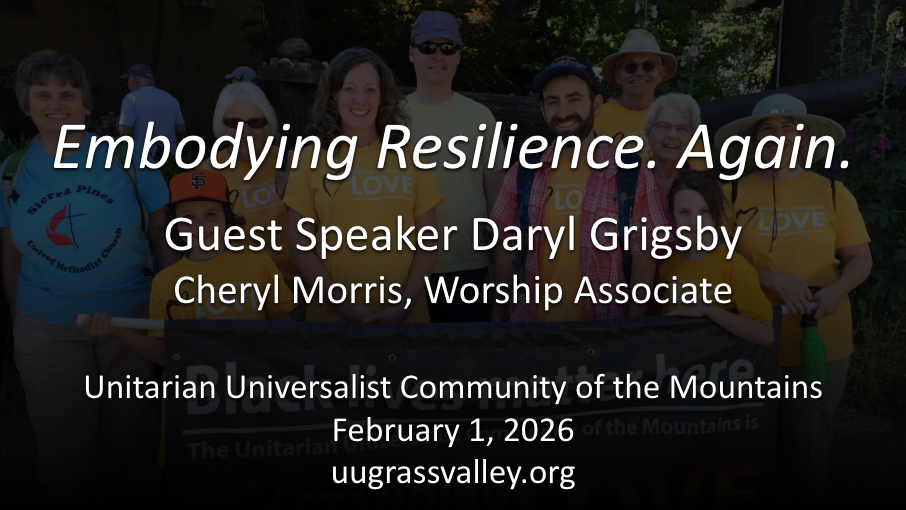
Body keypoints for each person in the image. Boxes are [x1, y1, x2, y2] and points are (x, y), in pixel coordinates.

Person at [0, 49, 177, 504]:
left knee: (121, 448)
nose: (55, 103)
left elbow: (163, 236)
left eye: (68, 92)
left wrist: (170, 313)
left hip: (130, 326)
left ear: (85, 104)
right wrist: (21, 320)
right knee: (63, 459)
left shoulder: (129, 157)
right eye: (43, 94)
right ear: (27, 104)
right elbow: (10, 254)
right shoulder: (11, 172)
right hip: (49, 330)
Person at [81, 168, 293, 484]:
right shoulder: (166, 282)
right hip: (195, 415)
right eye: (187, 216)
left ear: (227, 217)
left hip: (255, 407)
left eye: (211, 214)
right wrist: (118, 331)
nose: (201, 225)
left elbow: (285, 332)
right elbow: (167, 355)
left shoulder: (257, 262)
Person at [716, 93, 873, 502]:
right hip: (751, 339)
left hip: (819, 341)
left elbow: (859, 258)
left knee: (808, 449)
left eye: (789, 128)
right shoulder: (730, 192)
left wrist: (837, 291)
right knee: (752, 449)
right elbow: (714, 260)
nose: (779, 136)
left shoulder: (833, 193)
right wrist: (768, 277)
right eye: (767, 129)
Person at [489, 55, 667, 322]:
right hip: (531, 333)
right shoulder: (523, 171)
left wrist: (633, 327)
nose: (563, 112)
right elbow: (505, 245)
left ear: (596, 105)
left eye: (574, 99)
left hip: (605, 333)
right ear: (542, 109)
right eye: (553, 102)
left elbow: (645, 253)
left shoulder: (630, 171)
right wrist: (496, 318)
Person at [284, 48, 443, 323]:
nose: (361, 99)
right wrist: (345, 308)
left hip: (405, 321)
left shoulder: (411, 156)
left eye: (371, 90)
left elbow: (428, 242)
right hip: (333, 322)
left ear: (382, 97)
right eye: (350, 89)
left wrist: (404, 307)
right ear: (334, 94)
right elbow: (300, 245)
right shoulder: (309, 158)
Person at [404, 11, 504, 322]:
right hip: (403, 267)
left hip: (468, 267)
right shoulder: (389, 119)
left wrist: (500, 263)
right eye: (427, 47)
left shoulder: (480, 117)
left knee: (466, 368)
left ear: (459, 56)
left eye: (448, 48)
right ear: (411, 53)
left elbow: (500, 201)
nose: (438, 55)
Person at [201, 83, 300, 308]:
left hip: (298, 294)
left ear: (268, 125)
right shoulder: (207, 173)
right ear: (222, 126)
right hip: (241, 300)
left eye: (255, 122)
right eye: (234, 123)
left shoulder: (293, 162)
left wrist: (295, 196)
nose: (244, 132)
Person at [659, 172, 773, 345]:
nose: (694, 221)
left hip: (720, 369)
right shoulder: (667, 265)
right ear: (673, 216)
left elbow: (765, 334)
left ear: (717, 212)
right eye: (684, 212)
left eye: (704, 211)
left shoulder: (735, 266)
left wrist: (707, 310)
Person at [596, 30, 707, 170]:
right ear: (617, 75)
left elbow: (700, 180)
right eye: (630, 67)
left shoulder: (681, 118)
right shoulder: (595, 119)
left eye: (649, 65)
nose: (640, 72)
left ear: (661, 72)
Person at [644, 93, 700, 223]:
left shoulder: (709, 189)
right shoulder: (626, 184)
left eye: (683, 128)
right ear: (649, 134)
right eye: (664, 126)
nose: (672, 135)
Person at [118, 63, 186, 157]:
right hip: (170, 158)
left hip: (144, 157)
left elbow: (125, 131)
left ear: (135, 79)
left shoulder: (131, 98)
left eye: (127, 79)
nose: (127, 83)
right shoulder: (171, 99)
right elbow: (181, 130)